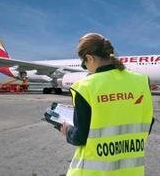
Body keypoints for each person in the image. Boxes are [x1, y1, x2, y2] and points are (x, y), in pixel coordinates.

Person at [60, 33, 154, 176]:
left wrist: (67, 131)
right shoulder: (142, 81)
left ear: (89, 58)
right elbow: (147, 122)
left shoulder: (84, 87)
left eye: (84, 64)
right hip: (131, 171)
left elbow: (80, 137)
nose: (86, 68)